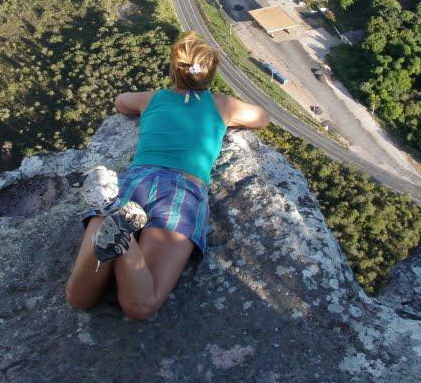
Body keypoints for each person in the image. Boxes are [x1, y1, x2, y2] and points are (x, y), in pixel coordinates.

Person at [65, 31, 270, 320]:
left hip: (131, 182)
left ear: (174, 69)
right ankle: (125, 243)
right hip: (180, 192)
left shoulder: (154, 98)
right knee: (140, 305)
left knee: (78, 298)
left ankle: (113, 214)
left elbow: (120, 101)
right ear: (210, 74)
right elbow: (261, 117)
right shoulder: (222, 105)